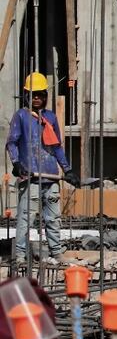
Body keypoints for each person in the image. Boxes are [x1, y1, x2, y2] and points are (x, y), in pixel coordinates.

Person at [7, 72, 78, 263]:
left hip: (51, 176)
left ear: (46, 95)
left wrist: (68, 170)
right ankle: (20, 255)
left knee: (53, 219)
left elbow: (56, 147)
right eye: (33, 95)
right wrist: (16, 163)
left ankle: (56, 251)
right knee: (25, 219)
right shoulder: (21, 116)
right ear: (26, 96)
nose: (37, 98)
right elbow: (12, 143)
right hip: (30, 177)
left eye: (41, 94)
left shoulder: (51, 118)